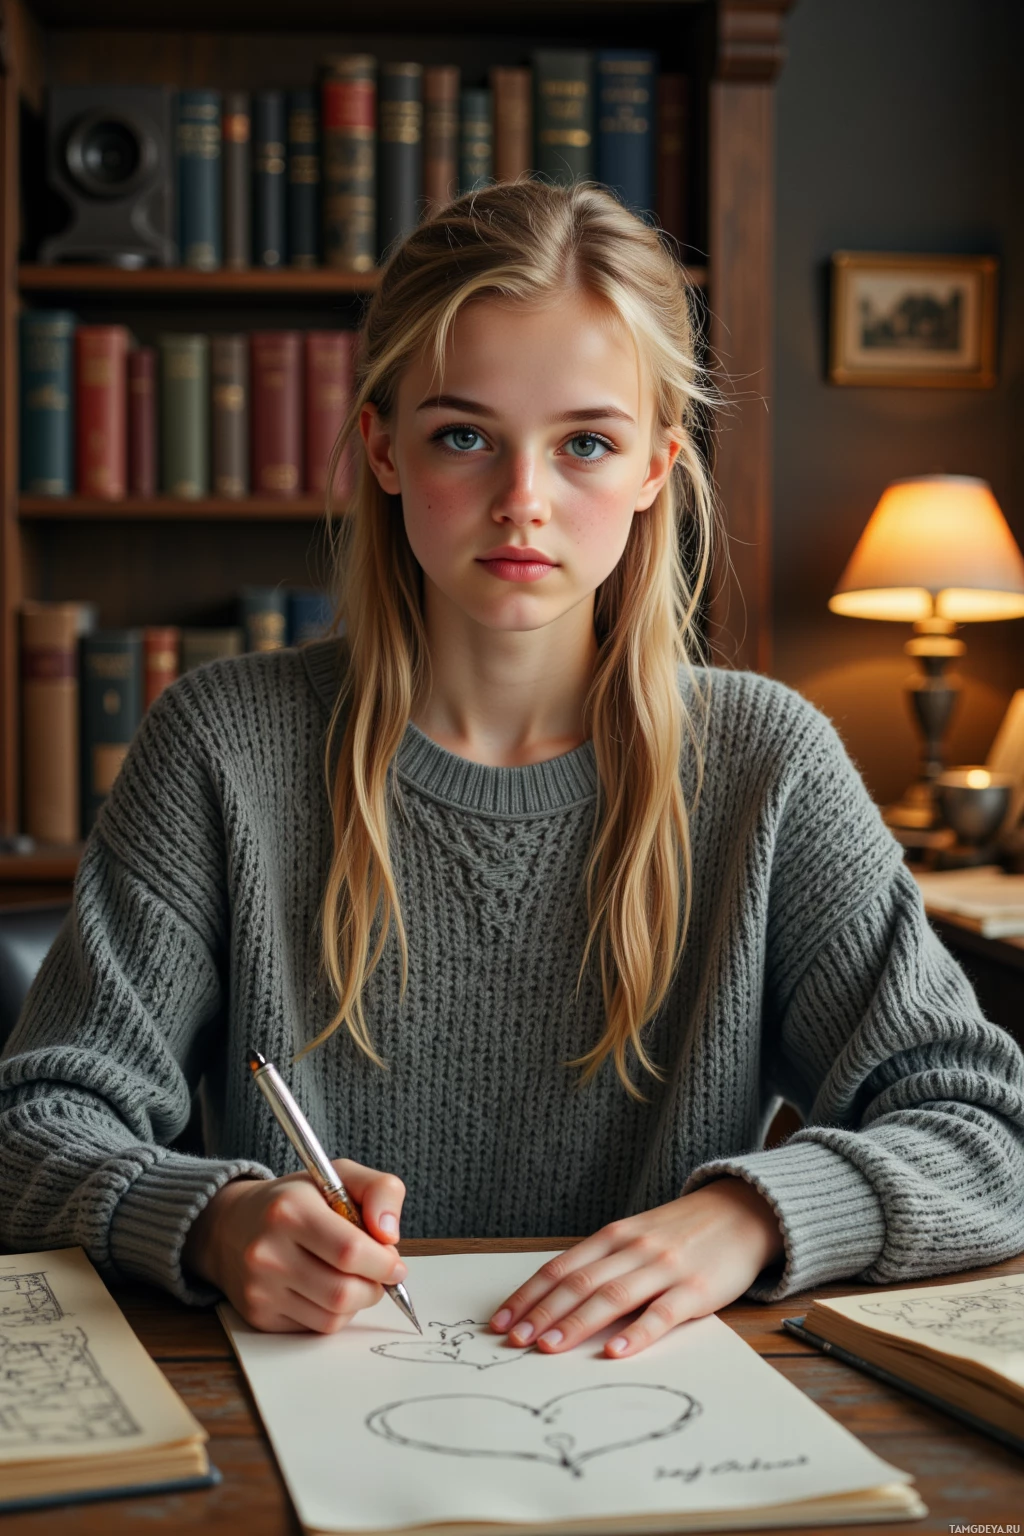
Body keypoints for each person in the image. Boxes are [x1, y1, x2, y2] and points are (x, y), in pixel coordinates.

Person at [2, 181, 1023, 1363]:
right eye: (463, 436)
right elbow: (33, 1129)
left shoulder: (766, 763)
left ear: (657, 466)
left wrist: (748, 1218)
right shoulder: (220, 745)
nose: (522, 503)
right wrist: (216, 1222)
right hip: (290, 1401)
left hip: (658, 1406)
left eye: (585, 443)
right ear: (384, 447)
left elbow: (982, 1135)